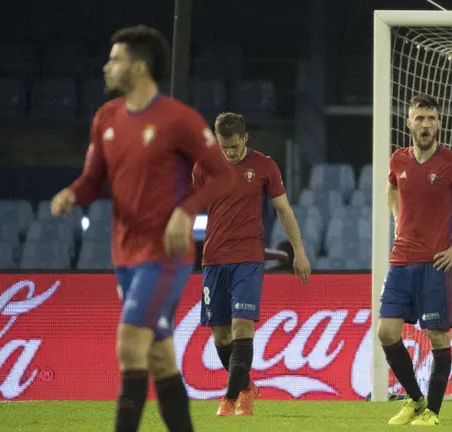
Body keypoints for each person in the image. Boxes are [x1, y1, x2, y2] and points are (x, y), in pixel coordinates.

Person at [50, 25, 235, 432]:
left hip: (165, 257)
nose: (106, 67)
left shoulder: (178, 119)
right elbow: (92, 180)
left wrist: (186, 211)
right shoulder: (106, 118)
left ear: (139, 66)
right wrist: (72, 194)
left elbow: (223, 175)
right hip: (125, 256)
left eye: (114, 59)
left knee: (129, 345)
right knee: (158, 358)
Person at [378, 94, 452, 426]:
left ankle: (433, 412)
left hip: (435, 263)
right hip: (400, 261)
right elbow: (392, 190)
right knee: (386, 333)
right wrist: (398, 220)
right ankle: (415, 400)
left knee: (438, 338)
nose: (425, 124)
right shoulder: (398, 160)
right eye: (419, 118)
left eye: (431, 118)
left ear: (438, 123)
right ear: (408, 123)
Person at [193, 112, 311, 417]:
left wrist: (299, 251)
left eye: (234, 146)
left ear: (245, 138)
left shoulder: (264, 166)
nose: (229, 153)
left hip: (248, 259)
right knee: (220, 336)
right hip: (213, 260)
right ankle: (247, 387)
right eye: (224, 147)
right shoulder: (204, 166)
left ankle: (229, 399)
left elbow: (283, 209)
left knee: (242, 326)